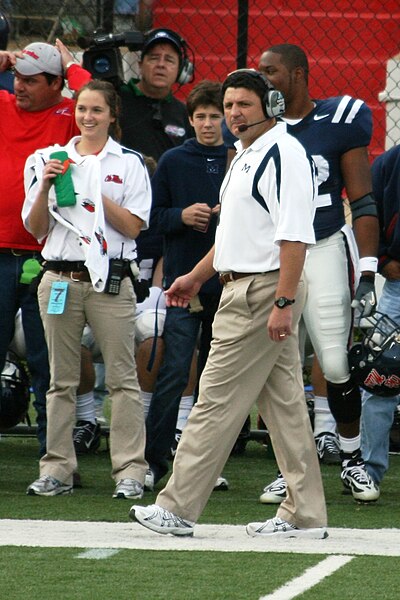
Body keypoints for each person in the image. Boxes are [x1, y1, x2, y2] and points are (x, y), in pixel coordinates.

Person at [130, 68, 328, 539]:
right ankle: (303, 513)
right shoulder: (243, 154)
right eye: (229, 105)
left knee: (214, 398)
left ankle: (177, 507)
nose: (234, 113)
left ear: (271, 106)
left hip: (261, 291)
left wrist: (282, 300)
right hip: (245, 286)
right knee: (283, 407)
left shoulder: (283, 153)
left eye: (244, 104)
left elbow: (295, 237)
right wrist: (196, 278)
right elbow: (234, 235)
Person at [257, 43, 380, 504]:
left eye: (271, 71)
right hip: (273, 257)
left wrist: (367, 268)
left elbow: (362, 199)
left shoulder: (338, 120)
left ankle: (351, 459)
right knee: (279, 369)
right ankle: (292, 468)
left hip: (324, 245)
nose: (263, 78)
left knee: (334, 361)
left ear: (299, 74)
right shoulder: (255, 129)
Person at [23, 79, 152, 498]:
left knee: (122, 378)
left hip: (111, 280)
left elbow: (133, 226)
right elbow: (37, 230)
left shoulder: (129, 162)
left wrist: (92, 192)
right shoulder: (48, 159)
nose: (88, 117)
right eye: (82, 109)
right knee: (60, 380)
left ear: (113, 115)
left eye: (97, 110)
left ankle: (130, 471)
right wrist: (44, 184)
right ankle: (58, 469)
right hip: (59, 276)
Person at [0, 39, 91, 457]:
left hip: (47, 259)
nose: (19, 86)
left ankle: (53, 461)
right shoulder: (2, 105)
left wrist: (74, 66)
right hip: (0, 254)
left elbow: (98, 99)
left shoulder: (69, 115)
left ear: (56, 83)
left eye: (32, 80)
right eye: (17, 77)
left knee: (47, 362)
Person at [144, 80, 226, 488]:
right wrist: (181, 216)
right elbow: (151, 219)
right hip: (182, 285)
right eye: (201, 117)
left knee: (218, 377)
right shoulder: (174, 161)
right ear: (190, 119)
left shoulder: (239, 158)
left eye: (215, 116)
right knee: (175, 370)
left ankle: (211, 463)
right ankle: (155, 459)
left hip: (228, 285)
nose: (209, 124)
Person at [360, 144, 400, 492]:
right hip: (397, 289)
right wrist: (384, 260)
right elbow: (368, 217)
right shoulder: (388, 163)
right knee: (380, 379)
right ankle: (368, 473)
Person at [119, 27, 194, 162]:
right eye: (154, 58)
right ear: (140, 65)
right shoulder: (116, 100)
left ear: (181, 70)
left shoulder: (183, 113)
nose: (161, 65)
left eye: (169, 60)